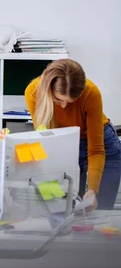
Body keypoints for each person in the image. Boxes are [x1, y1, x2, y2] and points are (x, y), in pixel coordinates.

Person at [25, 59, 121, 210]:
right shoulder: (33, 92)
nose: (63, 106)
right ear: (49, 89)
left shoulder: (91, 92)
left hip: (102, 146)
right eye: (58, 100)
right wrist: (50, 187)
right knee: (68, 209)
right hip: (67, 145)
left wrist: (92, 190)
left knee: (99, 212)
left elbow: (96, 149)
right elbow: (47, 144)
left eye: (71, 101)